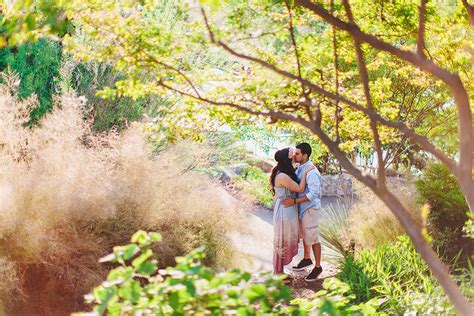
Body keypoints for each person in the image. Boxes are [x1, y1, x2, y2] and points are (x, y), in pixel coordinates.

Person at [270, 147, 315, 278]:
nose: (295, 156)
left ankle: (279, 271)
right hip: (285, 211)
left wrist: (296, 168)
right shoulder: (282, 176)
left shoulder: (283, 172)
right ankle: (278, 273)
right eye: (292, 155)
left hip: (288, 210)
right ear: (287, 159)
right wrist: (306, 172)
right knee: (282, 240)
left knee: (284, 239)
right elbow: (300, 188)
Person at [283, 142, 323, 282]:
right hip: (302, 208)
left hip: (310, 209)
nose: (295, 155)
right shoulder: (301, 167)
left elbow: (313, 194)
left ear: (305, 155)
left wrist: (294, 202)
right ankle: (307, 259)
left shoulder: (311, 172)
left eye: (298, 153)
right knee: (306, 235)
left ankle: (318, 267)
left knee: (313, 237)